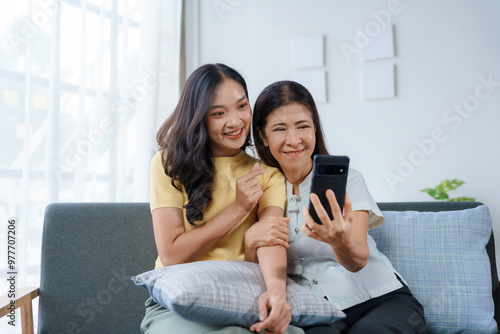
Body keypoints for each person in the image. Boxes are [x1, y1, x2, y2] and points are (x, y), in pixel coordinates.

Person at [247, 80, 427, 334]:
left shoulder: (348, 182)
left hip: (380, 299)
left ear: (315, 130)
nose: (294, 139)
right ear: (263, 136)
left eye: (303, 126)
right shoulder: (261, 194)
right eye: (279, 129)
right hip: (318, 312)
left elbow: (358, 260)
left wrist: (339, 242)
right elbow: (255, 266)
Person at [141, 64, 304, 334]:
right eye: (219, 113)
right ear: (199, 117)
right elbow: (171, 255)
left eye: (242, 106)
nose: (236, 121)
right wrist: (238, 208)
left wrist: (276, 292)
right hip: (177, 301)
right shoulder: (168, 164)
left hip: (240, 296)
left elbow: (270, 237)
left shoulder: (267, 174)